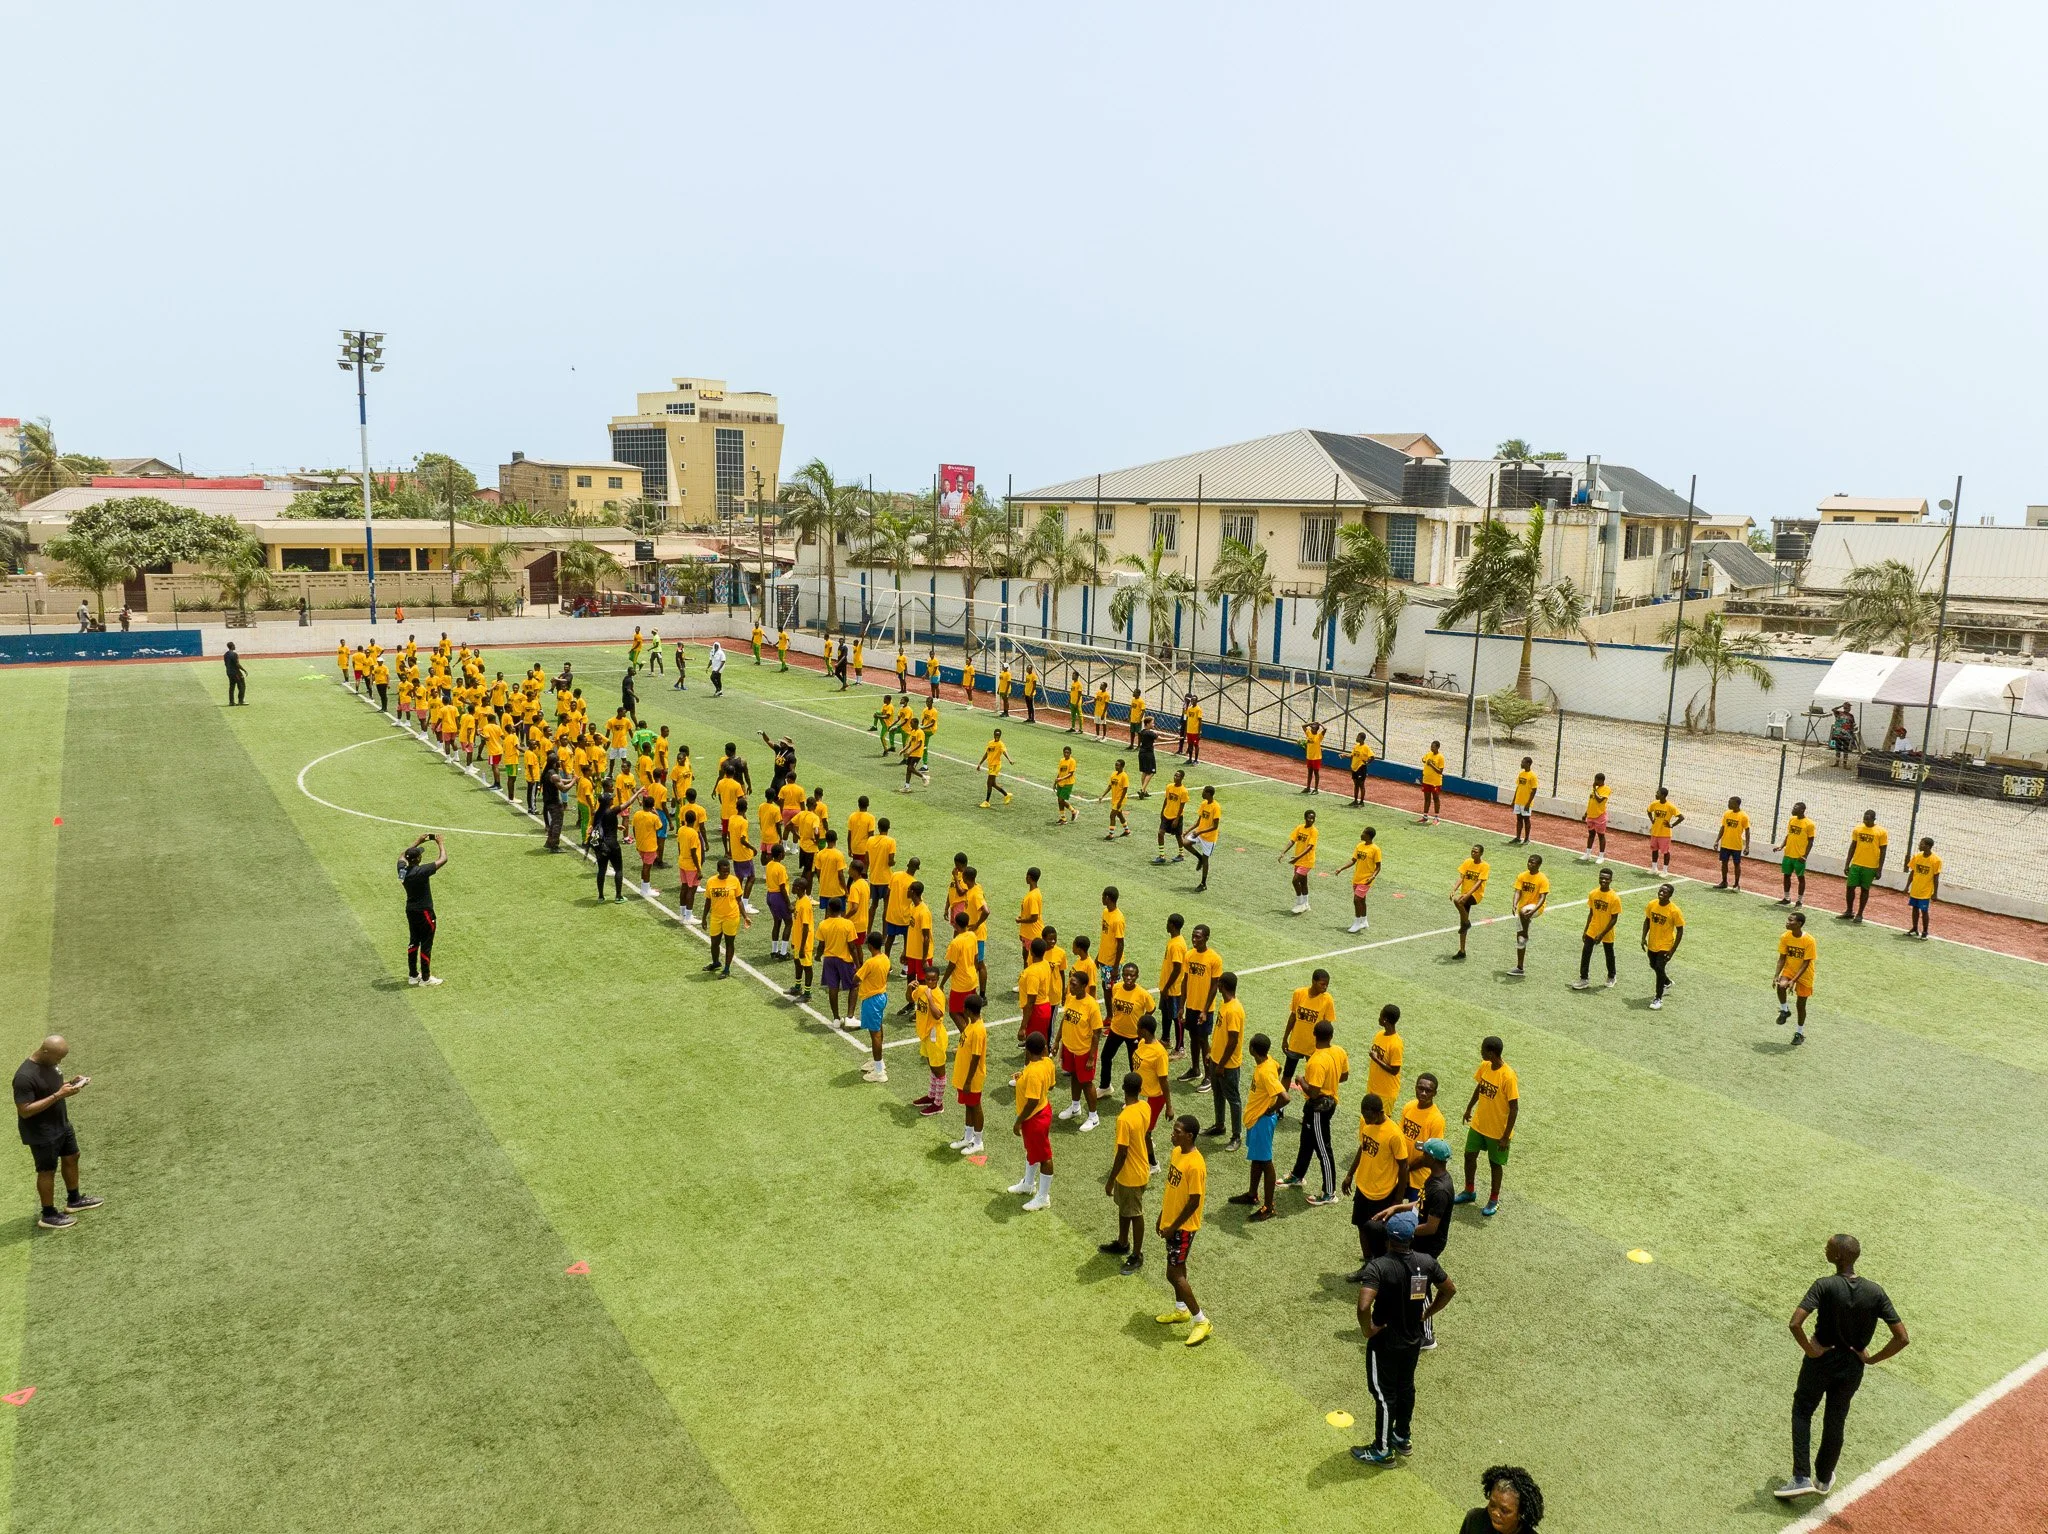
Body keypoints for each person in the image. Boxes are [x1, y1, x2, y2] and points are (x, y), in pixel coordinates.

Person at [1776, 1235, 1909, 1501]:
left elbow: (1795, 1323)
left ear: (1838, 1256)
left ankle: (1800, 1477)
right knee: (1836, 1418)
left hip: (1820, 1361)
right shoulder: (1876, 1292)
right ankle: (1824, 1478)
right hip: (1852, 1367)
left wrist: (1810, 1349)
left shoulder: (1824, 1285)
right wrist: (1871, 1359)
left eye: (1828, 1247)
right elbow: (1902, 1337)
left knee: (1802, 1410)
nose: (1824, 1249)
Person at [1350, 1209, 1455, 1464]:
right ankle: (1402, 1436)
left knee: (1384, 1394)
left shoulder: (1378, 1267)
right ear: (1411, 1237)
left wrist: (1367, 1330)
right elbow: (1449, 1290)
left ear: (1388, 1238)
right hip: (1412, 1340)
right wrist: (1428, 1312)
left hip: (1384, 1342)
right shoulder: (1426, 1262)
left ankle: (1382, 1450)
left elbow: (1363, 1306)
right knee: (1405, 1388)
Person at [15, 1036, 102, 1229]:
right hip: (42, 1132)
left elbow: (50, 1089)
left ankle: (74, 1200)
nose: (59, 1062)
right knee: (47, 1171)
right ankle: (48, 1215)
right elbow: (25, 1110)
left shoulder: (50, 1063)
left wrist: (71, 1084)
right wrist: (58, 1095)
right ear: (45, 1051)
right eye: (58, 1058)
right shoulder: (24, 1077)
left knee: (72, 1156)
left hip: (61, 1123)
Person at [1153, 1116, 1211, 1346]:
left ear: (1189, 1136)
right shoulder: (1177, 1153)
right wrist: (1162, 1216)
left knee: (1173, 1274)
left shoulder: (1196, 1165)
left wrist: (1173, 1227)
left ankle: (1201, 1321)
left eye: (1177, 1132)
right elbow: (1172, 1190)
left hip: (1183, 1228)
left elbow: (1194, 1202)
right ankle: (1181, 1310)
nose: (1172, 1134)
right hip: (1172, 1224)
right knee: (1179, 1268)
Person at [1342, 1094, 1411, 1277]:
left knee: (1380, 1233)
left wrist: (1398, 1200)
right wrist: (1350, 1174)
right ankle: (1368, 1265)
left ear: (1380, 1112)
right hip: (1363, 1187)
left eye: (1368, 1116)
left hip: (1383, 1192)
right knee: (1361, 1225)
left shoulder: (1394, 1134)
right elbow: (1362, 1148)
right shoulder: (1367, 1124)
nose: (1365, 1120)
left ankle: (1383, 1269)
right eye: (1363, 1115)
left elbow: (1404, 1166)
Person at [1282, 1017, 1344, 1205]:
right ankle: (1297, 1175)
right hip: (1326, 1103)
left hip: (1318, 1108)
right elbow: (1344, 1076)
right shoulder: (1339, 1052)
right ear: (1331, 1036)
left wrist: (1301, 1080)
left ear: (1314, 1035)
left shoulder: (1316, 1060)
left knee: (1323, 1149)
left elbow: (1314, 1093)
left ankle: (1329, 1193)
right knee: (1306, 1142)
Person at [1456, 1035, 1517, 1216]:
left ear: (1491, 1053)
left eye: (1482, 1049)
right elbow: (1480, 1087)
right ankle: (1469, 1191)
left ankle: (1494, 1200)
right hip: (1479, 1124)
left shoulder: (1508, 1076)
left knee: (1495, 1165)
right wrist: (1469, 1108)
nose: (1480, 1052)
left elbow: (1514, 1109)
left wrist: (1505, 1136)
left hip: (1498, 1132)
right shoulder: (1485, 1066)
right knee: (1469, 1156)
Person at [1228, 1034, 1283, 1220]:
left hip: (1262, 1121)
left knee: (1266, 1161)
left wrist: (1270, 1109)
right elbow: (1279, 1068)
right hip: (1256, 1120)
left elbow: (1285, 1097)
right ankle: (1252, 1194)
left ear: (1252, 1049)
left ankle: (1269, 1207)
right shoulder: (1269, 1062)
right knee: (1258, 1158)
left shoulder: (1265, 1072)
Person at [1100, 1073, 1151, 1274]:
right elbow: (1146, 1135)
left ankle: (1137, 1255)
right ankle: (1122, 1243)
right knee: (1125, 1209)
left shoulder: (1124, 1118)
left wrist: (1110, 1180)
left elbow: (1122, 1153)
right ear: (1140, 1089)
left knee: (1135, 1213)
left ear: (1123, 1088)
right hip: (1140, 1168)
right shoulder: (1145, 1107)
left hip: (1131, 1175)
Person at [1008, 1031, 1057, 1211]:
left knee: (1044, 1157)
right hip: (1042, 1112)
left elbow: (1032, 1101)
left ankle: (1043, 1197)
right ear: (1044, 1048)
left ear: (1027, 1051)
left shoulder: (1034, 1072)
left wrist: (1018, 1121)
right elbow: (1051, 1086)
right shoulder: (1047, 1063)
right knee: (1032, 1151)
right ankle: (1028, 1184)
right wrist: (1023, 1077)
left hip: (1035, 1117)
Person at [1056, 968, 1103, 1131]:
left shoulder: (1092, 1005)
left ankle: (1094, 1117)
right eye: (1070, 983)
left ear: (1084, 986)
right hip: (1070, 1047)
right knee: (1074, 1076)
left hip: (1084, 1050)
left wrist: (1091, 1057)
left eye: (1074, 984)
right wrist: (1057, 1041)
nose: (1070, 987)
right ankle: (1075, 1107)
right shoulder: (1070, 998)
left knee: (1086, 1083)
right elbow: (1065, 1020)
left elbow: (1097, 1033)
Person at [1203, 971, 1245, 1146]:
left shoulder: (1234, 1010)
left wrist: (1221, 1064)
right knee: (1218, 1094)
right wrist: (1212, 1053)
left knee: (1233, 1099)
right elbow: (1220, 1033)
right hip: (1217, 1060)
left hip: (1228, 1065)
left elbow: (1233, 1041)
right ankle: (1219, 1125)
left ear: (1221, 986)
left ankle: (1236, 1136)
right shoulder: (1225, 1004)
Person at [398, 834, 447, 985]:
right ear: (418, 859)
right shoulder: (421, 871)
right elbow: (443, 859)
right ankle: (426, 978)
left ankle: (413, 975)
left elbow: (402, 856)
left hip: (411, 910)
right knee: (426, 944)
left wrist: (417, 841)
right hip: (424, 912)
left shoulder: (402, 871)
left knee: (414, 941)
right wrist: (440, 843)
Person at [946, 994, 989, 1156]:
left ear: (969, 1011)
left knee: (975, 1106)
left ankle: (978, 1142)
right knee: (969, 1105)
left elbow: (976, 1058)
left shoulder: (978, 1030)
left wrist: (969, 1081)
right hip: (964, 1076)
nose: (962, 1009)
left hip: (972, 1078)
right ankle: (968, 1137)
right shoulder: (972, 1024)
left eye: (965, 1007)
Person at [1571, 866, 1622, 990]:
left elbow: (1614, 919)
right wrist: (1585, 930)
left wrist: (1602, 934)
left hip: (1607, 931)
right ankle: (1584, 979)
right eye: (1601, 878)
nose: (1603, 881)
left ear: (1611, 880)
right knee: (1586, 952)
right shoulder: (1593, 893)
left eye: (1606, 879)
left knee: (1609, 953)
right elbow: (1591, 913)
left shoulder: (1614, 898)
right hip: (1593, 928)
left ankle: (1611, 976)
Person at [1774, 911, 1818, 1043]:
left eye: (1790, 920)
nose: (1787, 922)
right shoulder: (1785, 936)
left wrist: (1794, 980)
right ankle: (1785, 1010)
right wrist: (1776, 975)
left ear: (1799, 924)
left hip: (1805, 974)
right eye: (1788, 919)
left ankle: (1799, 1033)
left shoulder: (1809, 940)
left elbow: (1806, 963)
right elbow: (1782, 957)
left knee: (1801, 1005)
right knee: (1781, 985)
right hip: (1790, 970)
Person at [1459, 1467, 1545, 1533]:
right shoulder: (1474, 1520)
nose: (1495, 1513)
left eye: (1504, 1511)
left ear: (1520, 1513)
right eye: (1492, 1505)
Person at [701, 858, 748, 978]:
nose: (726, 873)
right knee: (714, 942)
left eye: (728, 871)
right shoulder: (711, 881)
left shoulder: (734, 881)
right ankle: (716, 962)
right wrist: (704, 917)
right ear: (718, 870)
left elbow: (739, 900)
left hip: (731, 917)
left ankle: (726, 969)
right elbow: (708, 900)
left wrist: (745, 916)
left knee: (729, 943)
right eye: (723, 871)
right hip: (716, 917)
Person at [854, 934, 891, 1082]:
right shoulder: (885, 958)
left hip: (871, 1000)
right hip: (881, 996)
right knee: (878, 1030)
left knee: (875, 1034)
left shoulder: (870, 963)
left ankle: (879, 1072)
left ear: (870, 946)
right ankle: (878, 1062)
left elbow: (856, 978)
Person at [1642, 882, 1685, 1009]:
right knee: (1653, 965)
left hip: (1665, 945)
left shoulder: (1674, 911)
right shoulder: (1652, 904)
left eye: (1664, 892)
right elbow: (1647, 921)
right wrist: (1643, 937)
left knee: (1659, 967)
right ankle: (1666, 981)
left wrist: (1672, 951)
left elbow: (1680, 931)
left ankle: (1658, 998)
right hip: (1652, 942)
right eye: (1660, 890)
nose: (1661, 893)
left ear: (1670, 895)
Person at [1333, 825, 1383, 933]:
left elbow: (1378, 867)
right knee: (1361, 900)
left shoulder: (1375, 849)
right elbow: (1353, 860)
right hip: (1357, 878)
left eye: (1363, 832)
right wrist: (1341, 868)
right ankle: (1364, 921)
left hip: (1366, 879)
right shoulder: (1359, 846)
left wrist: (1372, 877)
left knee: (1356, 900)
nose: (1361, 834)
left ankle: (1357, 923)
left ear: (1368, 836)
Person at [1842, 810, 1887, 923]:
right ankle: (1849, 911)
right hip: (1856, 864)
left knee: (1865, 890)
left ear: (1874, 819)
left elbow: (1883, 851)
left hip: (1870, 867)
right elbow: (1853, 846)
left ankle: (1860, 914)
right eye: (1864, 818)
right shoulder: (1857, 829)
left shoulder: (1881, 832)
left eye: (1868, 819)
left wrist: (1879, 869)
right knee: (1850, 887)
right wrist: (1847, 864)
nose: (1865, 821)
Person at [1508, 854, 1547, 978]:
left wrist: (1534, 910)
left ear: (1539, 865)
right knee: (1519, 939)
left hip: (1536, 908)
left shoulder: (1543, 879)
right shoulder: (1522, 876)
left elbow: (1542, 898)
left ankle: (1525, 935)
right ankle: (1520, 968)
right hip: (1522, 910)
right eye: (1529, 862)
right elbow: (1517, 892)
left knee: (1524, 913)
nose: (1530, 864)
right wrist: (1514, 904)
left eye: (1533, 863)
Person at [1450, 844, 1489, 961]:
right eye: (1472, 851)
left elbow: (1478, 883)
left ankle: (1467, 923)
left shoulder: (1485, 866)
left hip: (1476, 895)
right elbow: (1461, 877)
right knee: (1462, 922)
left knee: (1457, 901)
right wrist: (1454, 889)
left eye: (1476, 852)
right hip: (1465, 894)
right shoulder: (1467, 862)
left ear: (1481, 853)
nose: (1473, 853)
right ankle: (1462, 950)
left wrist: (1467, 895)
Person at [1774, 801, 1817, 907]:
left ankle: (1799, 901)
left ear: (1802, 810)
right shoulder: (1792, 820)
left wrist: (1805, 856)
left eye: (1795, 808)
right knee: (1786, 876)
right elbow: (1789, 835)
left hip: (1799, 857)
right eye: (1793, 807)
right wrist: (1781, 846)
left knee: (1800, 878)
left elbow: (1811, 841)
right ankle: (1786, 898)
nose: (1793, 809)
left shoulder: (1809, 824)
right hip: (1788, 854)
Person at [1280, 810, 1318, 916]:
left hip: (1307, 861)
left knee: (1295, 880)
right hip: (1299, 861)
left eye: (1313, 818)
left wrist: (1297, 857)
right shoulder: (1300, 828)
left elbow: (1310, 847)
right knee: (1303, 882)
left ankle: (1300, 903)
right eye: (1309, 818)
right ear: (1305, 818)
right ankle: (1306, 904)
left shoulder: (1314, 831)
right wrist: (1283, 852)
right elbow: (1292, 840)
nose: (1311, 820)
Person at [1185, 786, 1221, 892]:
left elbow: (1215, 826)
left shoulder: (1216, 807)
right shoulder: (1204, 804)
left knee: (1206, 860)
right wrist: (1187, 830)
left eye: (1204, 792)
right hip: (1199, 834)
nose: (1202, 793)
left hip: (1209, 838)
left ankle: (1203, 883)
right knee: (1185, 843)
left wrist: (1200, 832)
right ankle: (1199, 858)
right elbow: (1198, 822)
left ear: (1209, 794)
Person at [591, 795, 625, 903]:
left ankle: (601, 896)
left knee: (601, 870)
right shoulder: (611, 812)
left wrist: (616, 826)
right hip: (613, 845)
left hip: (601, 845)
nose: (613, 799)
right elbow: (628, 803)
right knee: (618, 870)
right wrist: (638, 792)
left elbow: (598, 827)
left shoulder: (598, 813)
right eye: (611, 799)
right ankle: (618, 896)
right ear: (608, 801)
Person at [1906, 836, 1941, 938]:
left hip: (1925, 891)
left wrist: (1935, 893)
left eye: (1922, 844)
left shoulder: (1936, 860)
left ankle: (1925, 932)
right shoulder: (1917, 856)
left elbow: (1936, 878)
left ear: (1928, 846)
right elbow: (1912, 872)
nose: (1919, 845)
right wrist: (1907, 886)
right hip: (1915, 889)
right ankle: (1914, 928)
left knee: (1924, 911)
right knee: (1914, 908)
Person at [1715, 795, 1752, 890]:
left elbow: (1747, 831)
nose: (1728, 804)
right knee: (1724, 863)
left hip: (1736, 845)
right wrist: (1717, 840)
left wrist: (1747, 846)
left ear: (1737, 804)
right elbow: (1723, 827)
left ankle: (1736, 884)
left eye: (1730, 803)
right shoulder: (1727, 813)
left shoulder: (1743, 816)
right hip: (1725, 843)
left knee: (1736, 864)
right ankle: (1724, 882)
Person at [1152, 771, 1189, 863]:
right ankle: (1162, 856)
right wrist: (1162, 811)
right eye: (1175, 775)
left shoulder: (1183, 791)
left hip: (1176, 817)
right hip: (1166, 814)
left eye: (1178, 776)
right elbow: (1166, 799)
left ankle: (1181, 854)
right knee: (1160, 833)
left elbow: (1182, 806)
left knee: (1178, 836)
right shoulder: (1169, 786)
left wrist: (1177, 819)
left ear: (1182, 778)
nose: (1175, 777)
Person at [1645, 786, 1682, 875]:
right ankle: (1654, 868)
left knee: (1665, 852)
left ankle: (1665, 871)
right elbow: (1648, 811)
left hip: (1665, 834)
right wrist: (1652, 820)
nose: (1656, 795)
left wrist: (1672, 825)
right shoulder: (1654, 804)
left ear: (1663, 795)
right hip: (1655, 832)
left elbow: (1681, 817)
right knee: (1654, 850)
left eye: (1658, 793)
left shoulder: (1670, 806)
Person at [1580, 772, 1611, 861]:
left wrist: (1594, 789)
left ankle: (1601, 856)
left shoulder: (1606, 789)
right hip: (1591, 816)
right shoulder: (1595, 790)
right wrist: (1586, 814)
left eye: (1596, 780)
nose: (1595, 782)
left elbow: (1599, 800)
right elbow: (1591, 803)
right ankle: (1588, 854)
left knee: (1601, 836)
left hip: (1600, 816)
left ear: (1601, 780)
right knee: (1591, 834)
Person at [979, 729, 1013, 807]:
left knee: (989, 783)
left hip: (996, 765)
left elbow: (1004, 752)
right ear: (994, 735)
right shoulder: (990, 743)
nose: (997, 736)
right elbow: (986, 753)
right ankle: (1006, 795)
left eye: (998, 735)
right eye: (996, 735)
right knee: (993, 784)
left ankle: (987, 802)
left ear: (1000, 736)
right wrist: (980, 763)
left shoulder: (1001, 744)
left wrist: (1009, 759)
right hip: (991, 765)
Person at [1098, 759, 1131, 839]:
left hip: (1120, 799)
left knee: (1112, 815)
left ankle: (1111, 834)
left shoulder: (1124, 776)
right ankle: (1127, 831)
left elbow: (1125, 790)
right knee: (1119, 814)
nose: (1116, 767)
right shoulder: (1113, 774)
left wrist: (1120, 802)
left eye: (1117, 765)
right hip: (1114, 798)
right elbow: (1110, 786)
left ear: (1122, 766)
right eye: (1115, 765)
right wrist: (1102, 795)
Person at [1509, 756, 1537, 843]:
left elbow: (1534, 790)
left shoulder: (1532, 776)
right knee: (1519, 819)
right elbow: (1518, 787)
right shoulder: (1521, 774)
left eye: (1523, 762)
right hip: (1518, 801)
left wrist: (1528, 803)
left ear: (1528, 764)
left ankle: (1527, 838)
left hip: (1526, 802)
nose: (1521, 764)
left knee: (1526, 819)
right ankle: (1518, 837)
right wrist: (1514, 800)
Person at [1418, 740, 1445, 823]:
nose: (1431, 748)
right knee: (1427, 799)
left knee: (1436, 798)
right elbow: (1423, 759)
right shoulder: (1429, 754)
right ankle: (1425, 816)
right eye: (1431, 746)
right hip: (1426, 780)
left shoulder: (1440, 757)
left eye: (1433, 747)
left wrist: (1431, 765)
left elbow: (1440, 771)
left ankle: (1436, 817)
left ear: (1437, 747)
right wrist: (1425, 761)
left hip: (1435, 782)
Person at [1348, 734, 1374, 806]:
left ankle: (1362, 802)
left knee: (1361, 785)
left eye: (1358, 737)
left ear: (1362, 738)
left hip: (1361, 768)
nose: (1356, 738)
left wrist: (1367, 762)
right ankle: (1355, 800)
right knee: (1356, 784)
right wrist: (1345, 755)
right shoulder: (1356, 746)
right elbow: (1352, 755)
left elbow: (1372, 757)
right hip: (1354, 768)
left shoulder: (1366, 747)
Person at [1301, 719, 1325, 794]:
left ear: (1316, 729)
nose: (1311, 728)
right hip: (1309, 756)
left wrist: (1320, 724)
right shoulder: (1308, 733)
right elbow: (1303, 726)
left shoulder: (1319, 736)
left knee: (1316, 773)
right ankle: (1308, 787)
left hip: (1316, 757)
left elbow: (1325, 729)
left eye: (1313, 727)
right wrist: (1312, 723)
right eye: (1311, 727)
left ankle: (1316, 789)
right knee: (1309, 772)